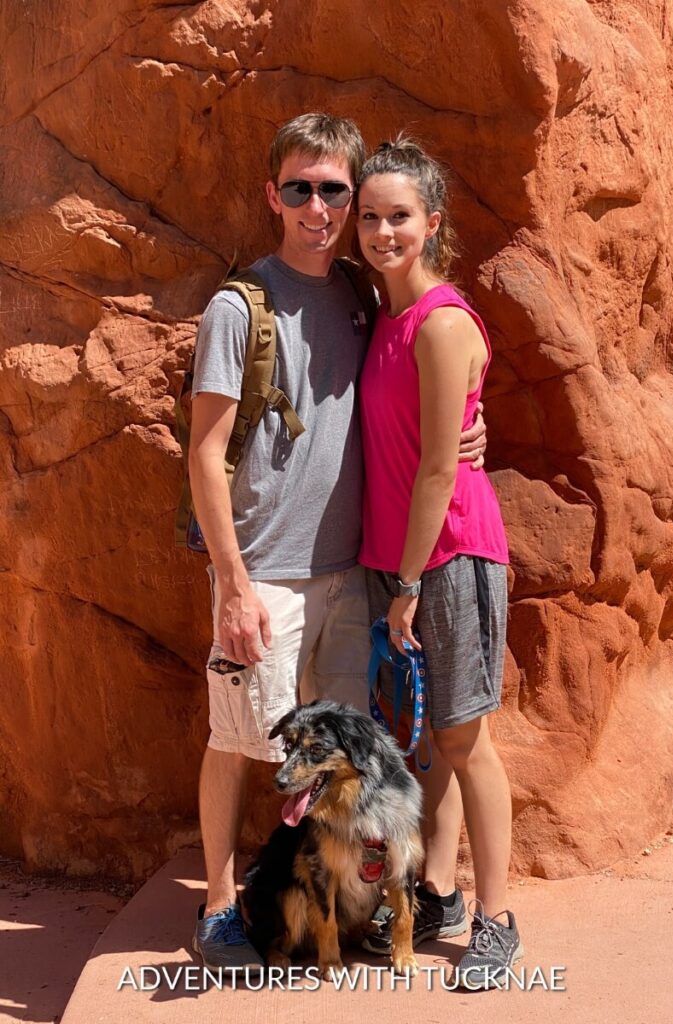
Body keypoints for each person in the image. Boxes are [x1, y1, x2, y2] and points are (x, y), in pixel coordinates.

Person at [187, 114, 487, 972]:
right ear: (272, 196)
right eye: (299, 188)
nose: (316, 207)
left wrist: (471, 426)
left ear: (354, 199)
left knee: (343, 750)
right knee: (238, 742)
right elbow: (205, 456)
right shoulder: (237, 306)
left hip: (350, 573)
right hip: (266, 576)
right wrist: (233, 586)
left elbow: (428, 378)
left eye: (333, 191)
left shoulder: (364, 293)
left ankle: (340, 902)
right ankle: (215, 906)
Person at [355, 136, 521, 990]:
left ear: (432, 223)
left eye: (399, 216)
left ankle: (496, 920)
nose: (383, 231)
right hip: (398, 560)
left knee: (462, 738)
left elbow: (435, 467)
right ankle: (442, 892)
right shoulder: (382, 315)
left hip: (447, 557)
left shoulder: (443, 321)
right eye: (371, 216)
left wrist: (411, 585)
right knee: (430, 746)